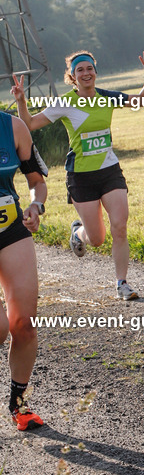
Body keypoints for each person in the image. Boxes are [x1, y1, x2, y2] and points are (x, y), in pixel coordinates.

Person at [12, 50, 144, 300]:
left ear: (95, 72)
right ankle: (78, 232)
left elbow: (142, 100)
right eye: (80, 70)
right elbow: (29, 124)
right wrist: (21, 101)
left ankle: (122, 283)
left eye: (89, 68)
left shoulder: (106, 97)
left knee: (119, 226)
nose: (86, 73)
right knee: (97, 239)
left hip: (110, 171)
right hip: (80, 176)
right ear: (72, 76)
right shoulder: (65, 103)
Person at [0, 105, 48, 430]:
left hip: (11, 228)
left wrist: (35, 204)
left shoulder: (14, 127)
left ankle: (19, 404)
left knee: (25, 324)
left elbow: (36, 181)